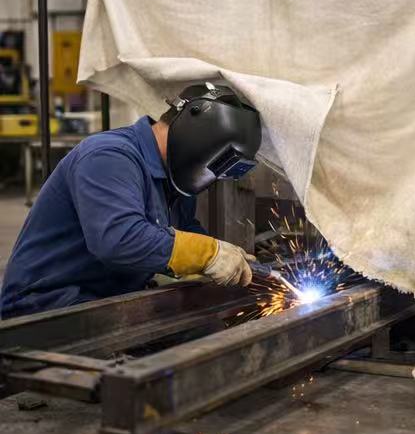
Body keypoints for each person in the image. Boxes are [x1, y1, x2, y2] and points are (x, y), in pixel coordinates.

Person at [0, 82, 262, 318]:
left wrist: (229, 258)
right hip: (43, 308)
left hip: (103, 300)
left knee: (206, 329)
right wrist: (208, 254)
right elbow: (119, 239)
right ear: (197, 135)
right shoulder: (108, 157)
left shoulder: (174, 179)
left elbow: (184, 231)